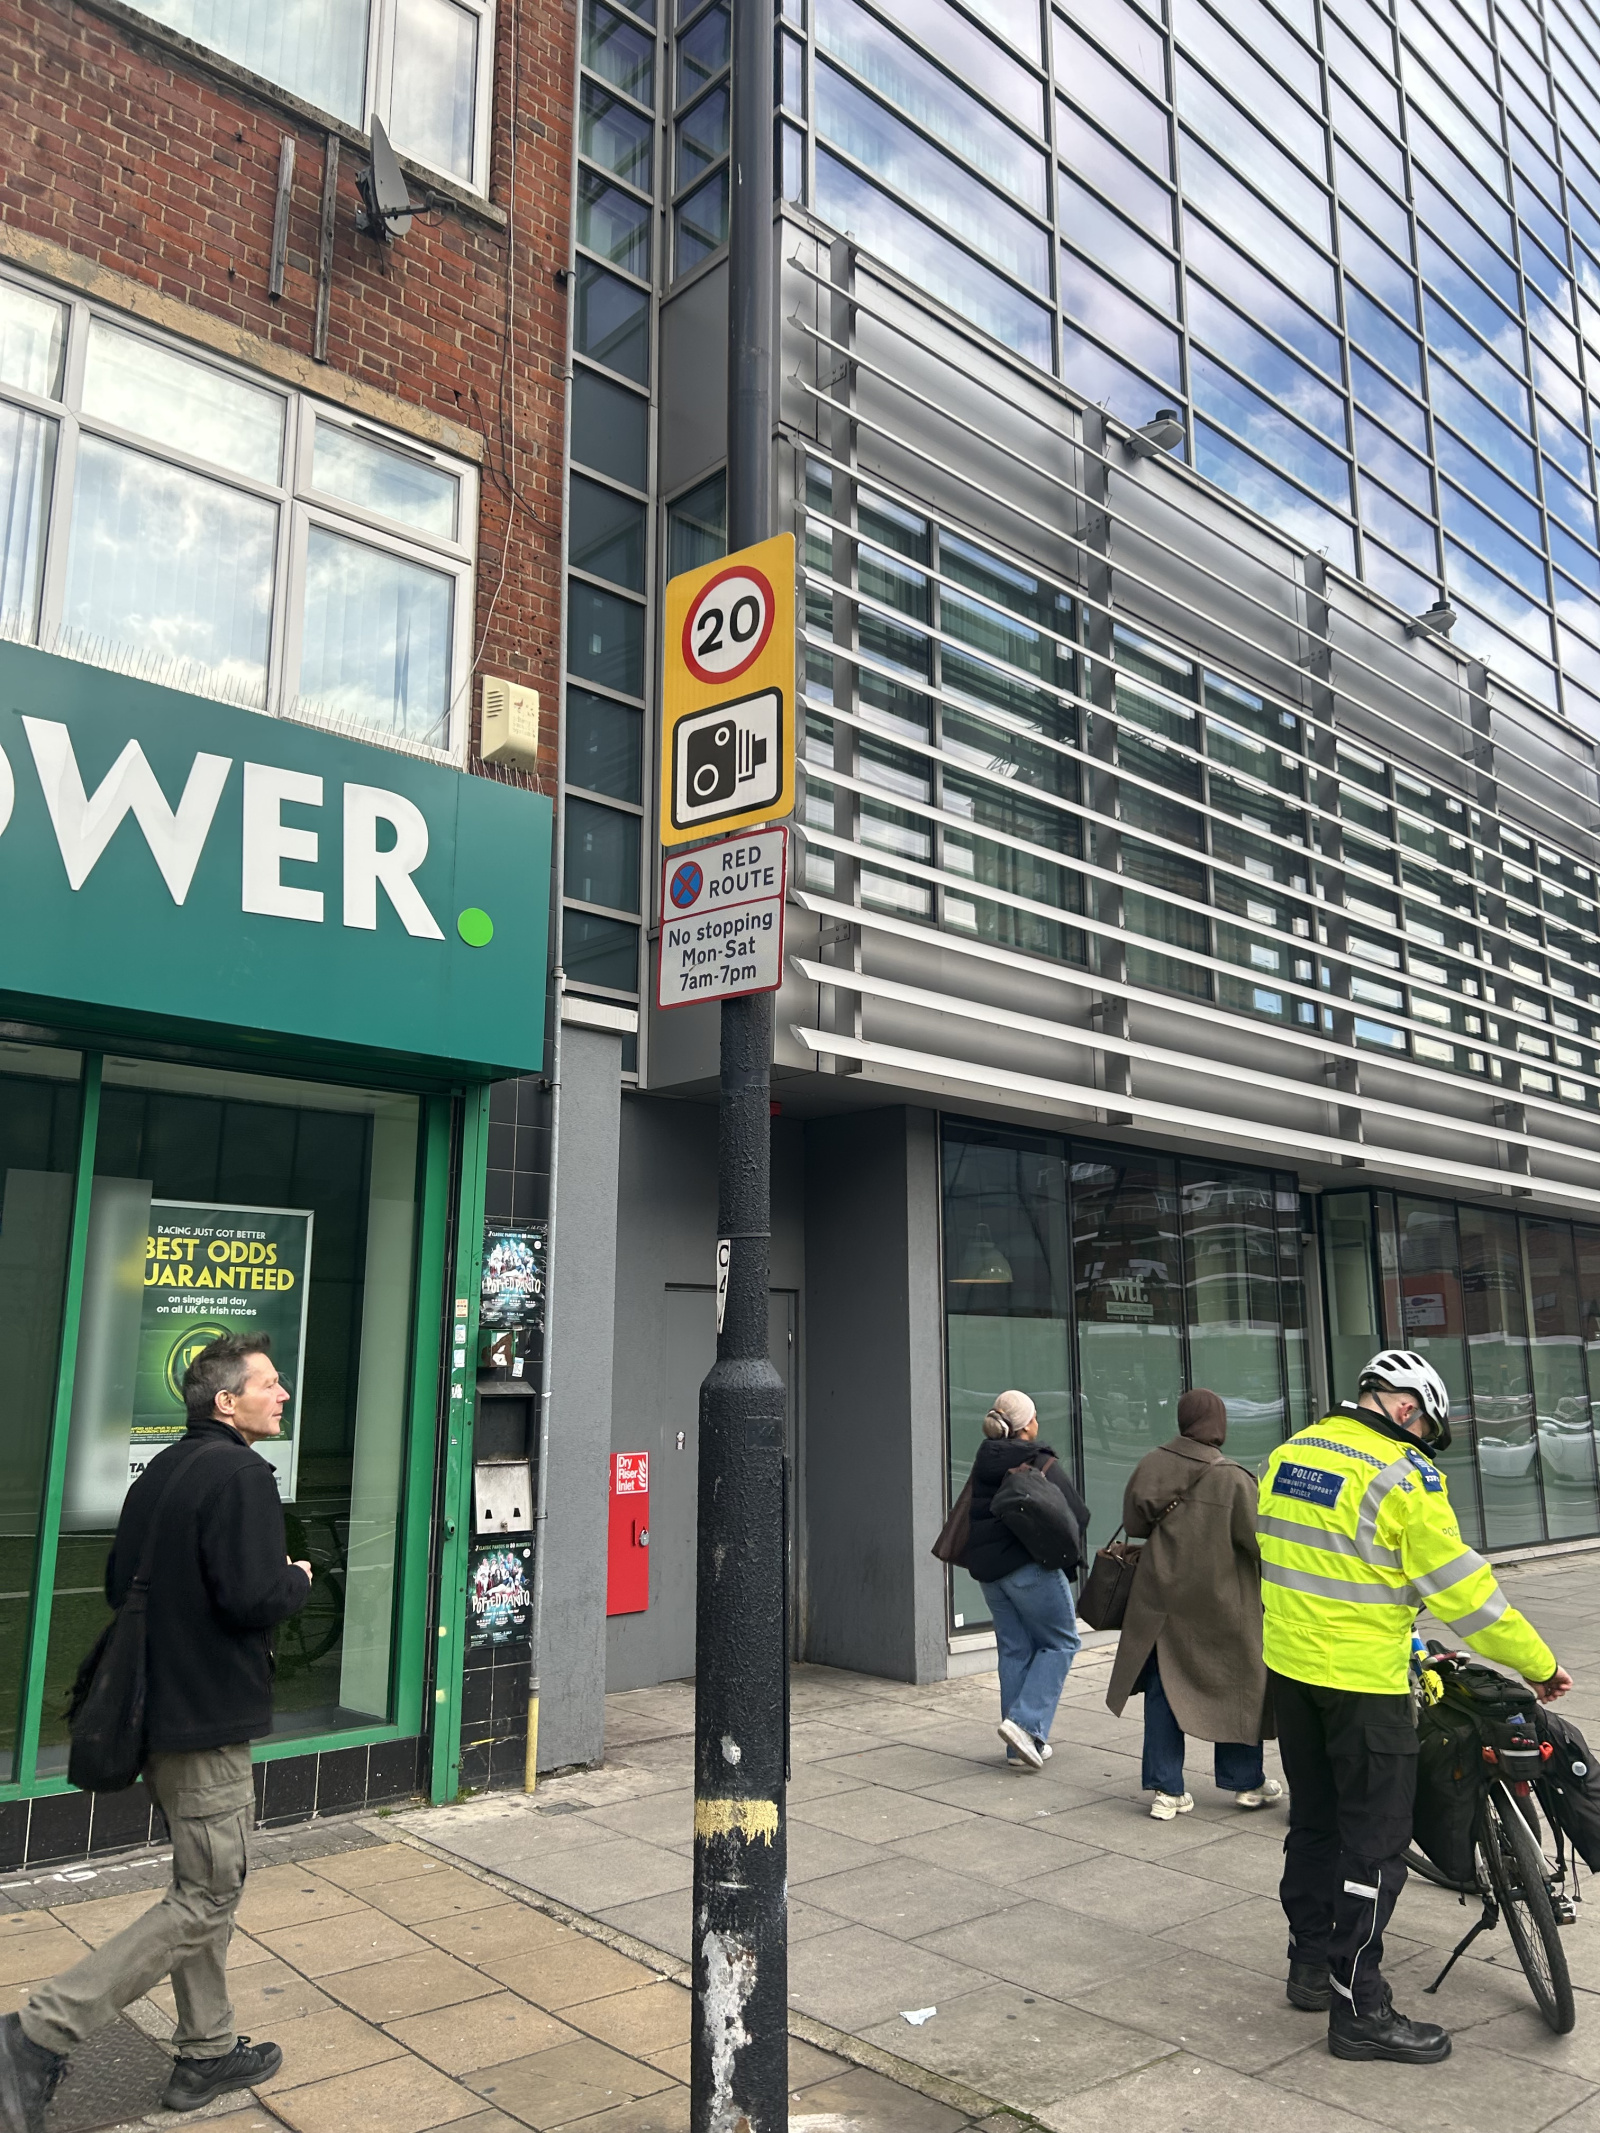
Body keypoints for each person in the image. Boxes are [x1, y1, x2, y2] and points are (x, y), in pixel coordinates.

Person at [0, 1335, 313, 2133]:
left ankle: (206, 2050)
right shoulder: (243, 1474)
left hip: (156, 1716)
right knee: (206, 1898)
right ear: (227, 1402)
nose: (282, 1394)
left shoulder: (163, 1469)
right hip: (206, 1720)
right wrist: (296, 1578)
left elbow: (117, 1582)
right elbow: (251, 1598)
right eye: (269, 1384)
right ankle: (38, 2033)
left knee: (201, 1884)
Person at [1261, 1348, 1571, 2067]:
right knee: (1374, 1843)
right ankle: (1360, 2010)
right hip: (1362, 1684)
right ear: (1407, 1408)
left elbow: (1293, 1558)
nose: (1425, 1437)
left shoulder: (1291, 1452)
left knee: (1314, 1823)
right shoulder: (1402, 1474)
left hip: (1291, 1672)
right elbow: (1466, 1594)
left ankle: (1310, 1967)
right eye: (1427, 1426)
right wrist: (1539, 1664)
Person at [1106, 1388, 1281, 1820]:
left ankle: (1166, 1790)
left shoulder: (1151, 1463)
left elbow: (1134, 1524)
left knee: (1164, 1690)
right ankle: (1246, 1782)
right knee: (1240, 1685)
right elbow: (1259, 1543)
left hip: (1161, 1599)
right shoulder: (1234, 1478)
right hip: (1223, 1603)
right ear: (1219, 1423)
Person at [965, 1389, 1082, 1769]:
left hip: (989, 1573)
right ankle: (1025, 1723)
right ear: (1026, 1425)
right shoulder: (1038, 1461)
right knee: (1062, 1642)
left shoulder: (985, 1458)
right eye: (1033, 1416)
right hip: (1028, 1567)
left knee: (1015, 1649)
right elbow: (1075, 1513)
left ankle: (1020, 1746)